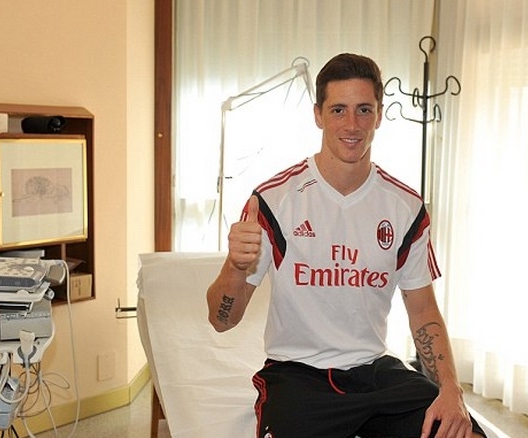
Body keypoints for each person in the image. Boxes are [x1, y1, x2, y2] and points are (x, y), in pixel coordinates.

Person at [206, 53, 487, 438]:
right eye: (338, 110)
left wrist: (451, 390)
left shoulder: (405, 207)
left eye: (363, 110)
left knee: (464, 433)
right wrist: (235, 268)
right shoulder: (273, 201)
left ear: (379, 115)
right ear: (318, 115)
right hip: (298, 376)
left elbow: (423, 310)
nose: (352, 125)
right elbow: (221, 321)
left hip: (375, 375)